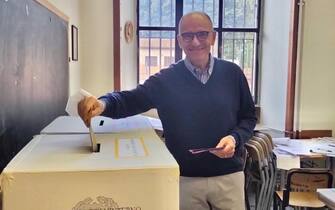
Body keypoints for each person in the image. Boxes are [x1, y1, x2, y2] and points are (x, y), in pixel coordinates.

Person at [78, 11, 256, 210]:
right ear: (179, 40)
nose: (195, 42)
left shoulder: (233, 74)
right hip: (183, 177)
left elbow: (249, 118)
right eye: (188, 36)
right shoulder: (166, 80)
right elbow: (130, 99)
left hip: (228, 176)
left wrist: (234, 138)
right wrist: (102, 104)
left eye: (202, 34)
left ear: (213, 36)